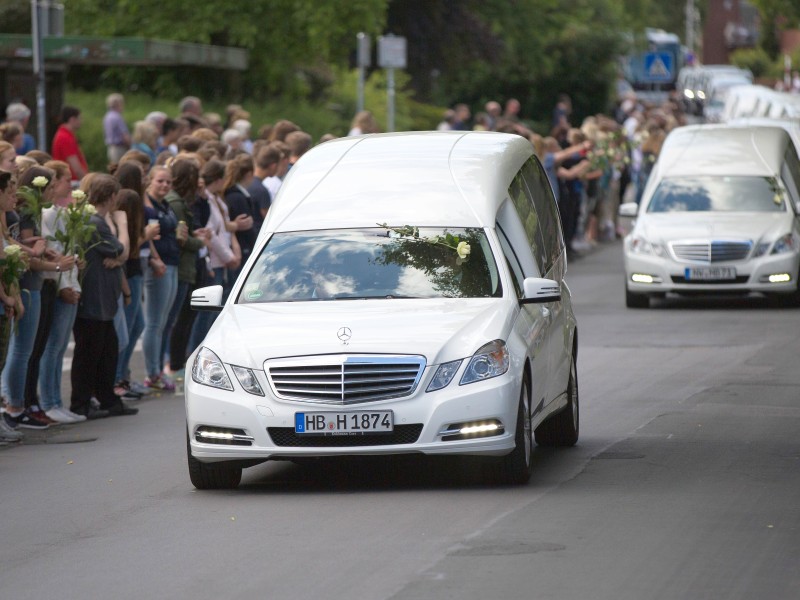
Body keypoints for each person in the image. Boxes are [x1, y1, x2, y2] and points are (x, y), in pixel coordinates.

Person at [2, 166, 72, 429]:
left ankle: (24, 404)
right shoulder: (25, 213)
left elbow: (18, 245)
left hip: (33, 286)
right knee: (21, 351)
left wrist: (43, 254)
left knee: (28, 350)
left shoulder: (26, 213)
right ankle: (15, 407)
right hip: (28, 286)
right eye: (51, 186)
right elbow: (23, 253)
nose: (54, 191)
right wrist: (50, 261)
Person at [70, 175, 138, 418]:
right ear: (110, 197)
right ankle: (82, 402)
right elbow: (119, 249)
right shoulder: (96, 222)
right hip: (95, 296)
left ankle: (105, 398)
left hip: (102, 296)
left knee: (107, 348)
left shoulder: (94, 220)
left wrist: (117, 256)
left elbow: (116, 254)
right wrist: (121, 226)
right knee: (90, 352)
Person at [37, 163, 87, 423]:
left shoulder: (61, 212)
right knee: (52, 347)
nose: (70, 184)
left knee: (57, 348)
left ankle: (55, 400)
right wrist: (63, 284)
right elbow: (52, 250)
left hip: (69, 281)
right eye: (66, 179)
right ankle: (48, 401)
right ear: (53, 181)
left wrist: (76, 263)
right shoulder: (46, 214)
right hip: (59, 284)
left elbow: (66, 248)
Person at [162, 158, 208, 378]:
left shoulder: (180, 202)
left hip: (185, 267)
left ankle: (174, 363)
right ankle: (174, 364)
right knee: (179, 319)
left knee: (182, 318)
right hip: (183, 267)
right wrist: (199, 242)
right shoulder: (177, 204)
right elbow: (182, 239)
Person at [189, 159, 241, 349]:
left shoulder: (216, 199)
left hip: (223, 259)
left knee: (214, 313)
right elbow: (211, 233)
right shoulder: (208, 200)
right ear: (218, 179)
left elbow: (225, 228)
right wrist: (229, 257)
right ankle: (196, 350)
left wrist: (233, 249)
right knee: (207, 313)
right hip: (217, 261)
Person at [141, 166, 179, 390]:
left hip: (172, 262)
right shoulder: (148, 206)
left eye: (168, 182)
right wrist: (155, 259)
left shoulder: (165, 204)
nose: (164, 185)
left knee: (164, 322)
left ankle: (157, 370)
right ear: (150, 182)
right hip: (159, 265)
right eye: (160, 181)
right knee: (154, 322)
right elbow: (150, 237)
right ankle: (151, 373)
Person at [51, 105, 88, 183]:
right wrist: (87, 183)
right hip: (72, 181)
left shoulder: (65, 135)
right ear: (72, 119)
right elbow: (76, 167)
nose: (81, 121)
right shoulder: (65, 137)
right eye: (79, 118)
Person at [103, 93, 131, 164]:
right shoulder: (117, 117)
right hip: (120, 148)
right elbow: (124, 135)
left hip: (111, 149)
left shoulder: (107, 116)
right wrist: (131, 146)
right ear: (118, 104)